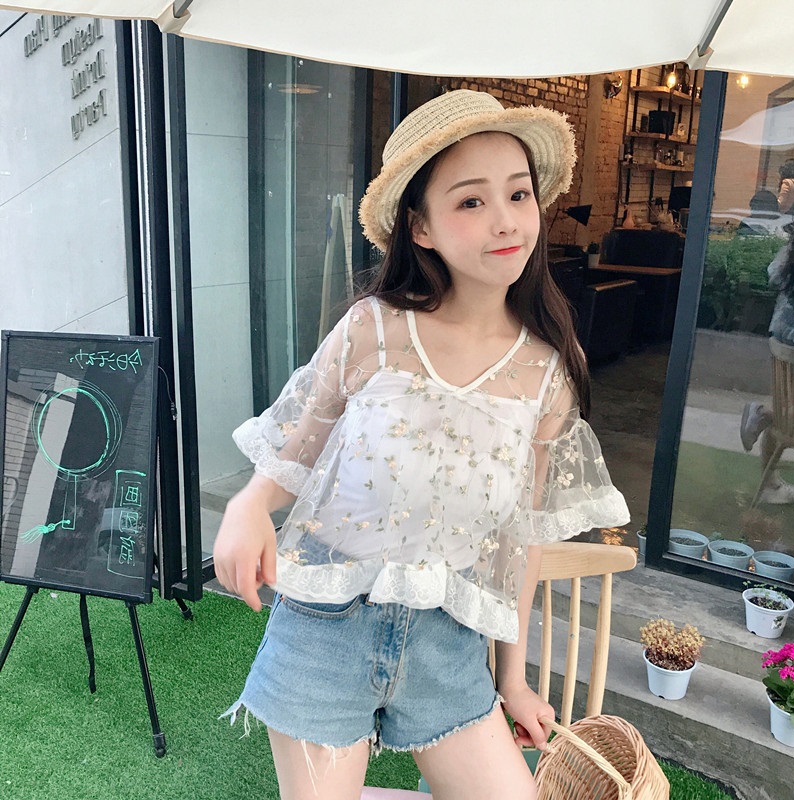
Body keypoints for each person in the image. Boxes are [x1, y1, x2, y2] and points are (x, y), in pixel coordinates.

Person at [213, 90, 629, 800]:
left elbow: (520, 536)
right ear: (421, 227)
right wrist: (249, 504)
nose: (505, 220)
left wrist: (513, 680)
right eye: (471, 201)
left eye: (518, 194)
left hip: (449, 645)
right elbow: (297, 447)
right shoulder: (372, 330)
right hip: (325, 632)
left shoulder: (547, 374)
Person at [740, 224, 794, 504]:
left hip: (782, 339)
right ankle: (765, 414)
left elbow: (773, 274)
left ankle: (770, 484)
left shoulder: (791, 254)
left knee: (788, 415)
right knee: (790, 417)